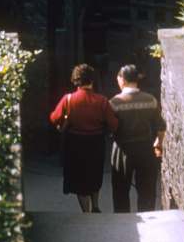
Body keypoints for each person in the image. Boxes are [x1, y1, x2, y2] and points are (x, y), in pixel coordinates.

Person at [49, 63, 118, 213]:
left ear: (75, 80)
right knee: (94, 174)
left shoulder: (68, 99)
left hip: (76, 143)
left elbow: (54, 118)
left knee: (79, 178)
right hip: (96, 143)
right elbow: (113, 123)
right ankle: (95, 205)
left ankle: (86, 212)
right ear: (92, 81)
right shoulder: (102, 100)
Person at [109, 63, 166, 213]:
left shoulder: (114, 103)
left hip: (122, 150)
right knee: (147, 188)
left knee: (120, 189)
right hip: (146, 148)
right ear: (137, 79)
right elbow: (161, 126)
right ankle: (147, 217)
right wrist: (158, 143)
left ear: (122, 79)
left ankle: (123, 221)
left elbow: (109, 127)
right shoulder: (150, 100)